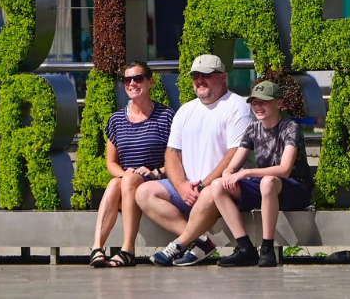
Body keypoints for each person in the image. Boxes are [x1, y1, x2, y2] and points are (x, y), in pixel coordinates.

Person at [136, 54, 254, 266]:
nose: (200, 80)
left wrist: (203, 184)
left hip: (222, 188)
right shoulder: (185, 110)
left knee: (212, 191)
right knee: (144, 192)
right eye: (195, 76)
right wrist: (181, 186)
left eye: (207, 75)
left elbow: (234, 154)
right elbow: (172, 153)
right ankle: (201, 241)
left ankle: (180, 244)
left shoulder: (238, 107)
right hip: (190, 189)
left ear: (223, 77)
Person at [213, 80, 313, 267]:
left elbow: (284, 170)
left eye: (264, 102)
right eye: (255, 102)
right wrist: (227, 174)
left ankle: (267, 248)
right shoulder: (252, 129)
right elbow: (232, 166)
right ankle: (245, 248)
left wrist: (247, 173)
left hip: (294, 189)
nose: (258, 107)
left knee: (267, 182)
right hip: (266, 188)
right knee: (218, 186)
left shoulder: (290, 128)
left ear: (279, 104)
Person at [89, 62, 175, 268]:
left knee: (125, 181)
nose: (132, 83)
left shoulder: (167, 116)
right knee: (114, 184)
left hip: (157, 181)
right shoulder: (116, 120)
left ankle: (128, 248)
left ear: (150, 81)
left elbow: (178, 160)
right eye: (127, 80)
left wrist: (156, 171)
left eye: (138, 78)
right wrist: (124, 174)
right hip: (128, 182)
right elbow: (111, 162)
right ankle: (97, 247)